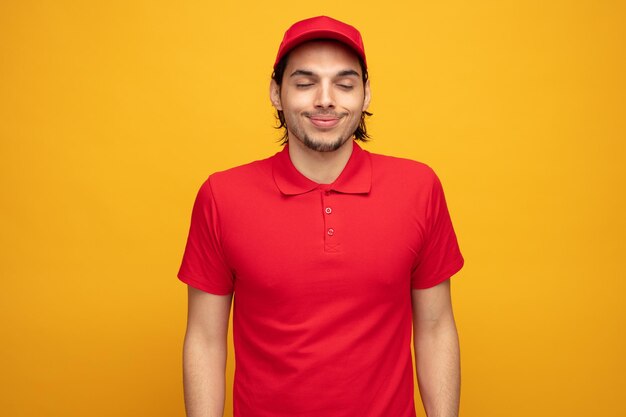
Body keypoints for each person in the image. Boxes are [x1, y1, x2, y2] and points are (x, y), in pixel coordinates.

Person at [178, 16, 464, 417]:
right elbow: (205, 338)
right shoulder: (222, 196)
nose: (325, 99)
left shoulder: (419, 187)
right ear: (276, 93)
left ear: (366, 95)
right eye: (305, 82)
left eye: (344, 84)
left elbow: (435, 328)